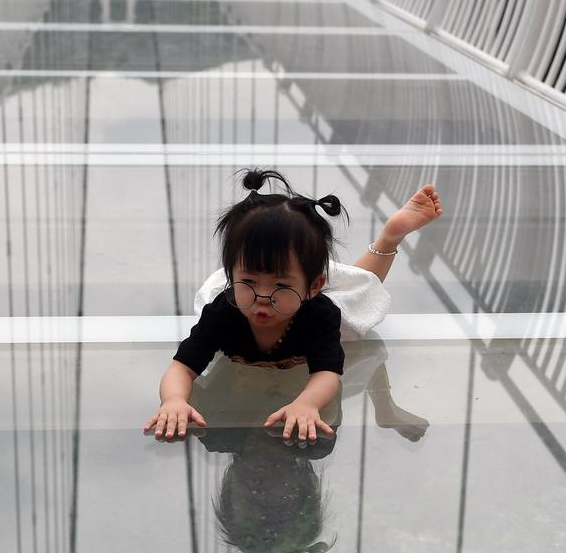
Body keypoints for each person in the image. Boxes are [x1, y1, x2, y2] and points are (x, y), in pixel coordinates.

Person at [144, 168, 443, 442]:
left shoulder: (320, 313)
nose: (263, 297)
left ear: (314, 286)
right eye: (249, 280)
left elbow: (327, 373)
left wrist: (307, 403)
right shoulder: (225, 310)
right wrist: (174, 400)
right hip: (269, 304)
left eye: (279, 285)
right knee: (267, 284)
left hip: (303, 312)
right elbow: (181, 367)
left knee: (359, 295)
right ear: (231, 275)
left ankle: (389, 239)